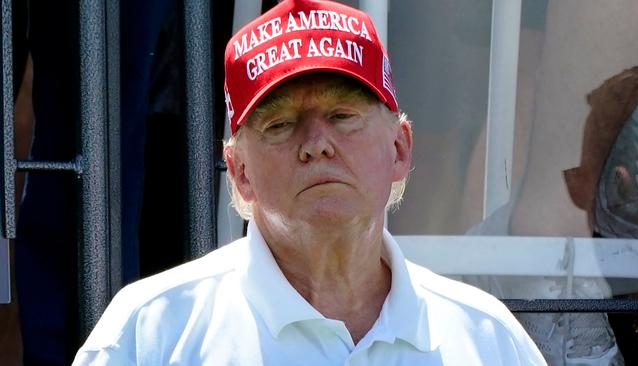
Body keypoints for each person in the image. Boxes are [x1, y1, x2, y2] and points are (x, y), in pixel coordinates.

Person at [73, 0, 546, 364]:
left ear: (399, 149)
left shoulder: (488, 339)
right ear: (240, 172)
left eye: (343, 116)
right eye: (281, 124)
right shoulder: (149, 334)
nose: (317, 143)